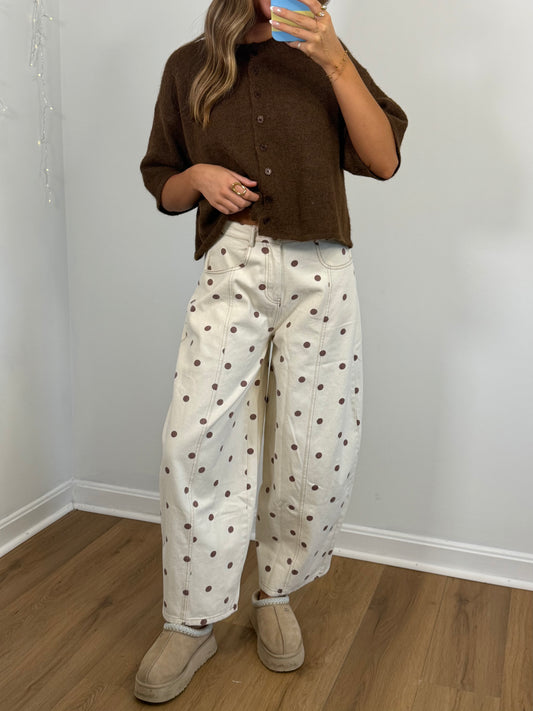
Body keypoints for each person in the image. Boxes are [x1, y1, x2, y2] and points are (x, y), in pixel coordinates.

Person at [135, 0, 407, 703]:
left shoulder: (323, 56)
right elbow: (163, 180)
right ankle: (191, 619)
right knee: (194, 438)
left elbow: (383, 160)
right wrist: (197, 177)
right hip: (233, 265)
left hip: (321, 271)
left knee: (313, 444)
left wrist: (334, 60)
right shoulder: (189, 66)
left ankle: (275, 593)